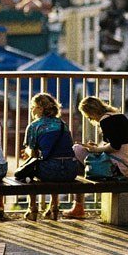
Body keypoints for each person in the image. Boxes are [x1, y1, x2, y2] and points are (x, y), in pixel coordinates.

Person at [64, 96, 128, 219]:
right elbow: (118, 143)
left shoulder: (105, 120)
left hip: (119, 167)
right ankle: (78, 206)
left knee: (76, 150)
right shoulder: (118, 116)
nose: (90, 119)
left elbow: (115, 146)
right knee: (81, 159)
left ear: (91, 112)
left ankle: (78, 206)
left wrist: (96, 150)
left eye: (88, 116)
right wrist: (97, 148)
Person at [19, 92, 79, 221]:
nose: (31, 109)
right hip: (70, 170)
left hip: (50, 171)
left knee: (30, 167)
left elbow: (34, 153)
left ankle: (32, 208)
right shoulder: (63, 124)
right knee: (52, 160)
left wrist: (28, 152)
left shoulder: (35, 125)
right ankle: (54, 206)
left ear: (40, 108)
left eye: (32, 107)